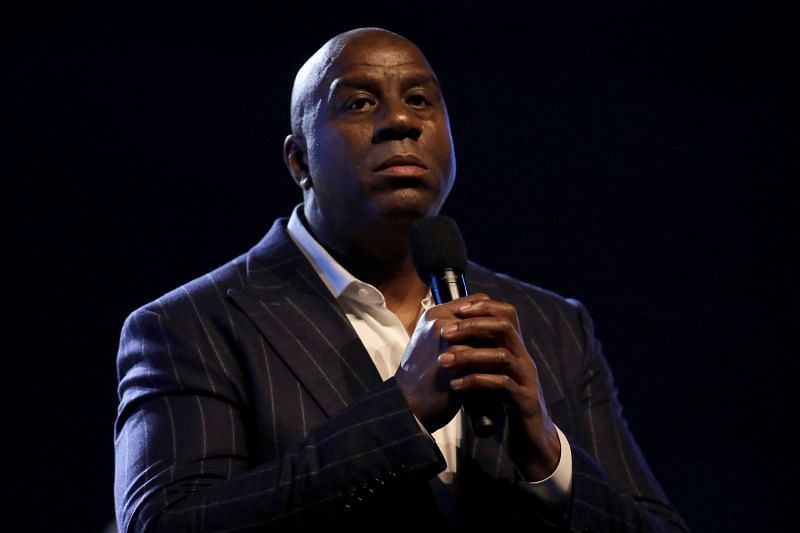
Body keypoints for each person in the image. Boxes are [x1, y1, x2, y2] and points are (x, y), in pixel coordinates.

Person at [113, 27, 688, 532]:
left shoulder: (554, 324)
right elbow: (168, 523)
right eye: (360, 103)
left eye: (420, 100)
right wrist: (400, 415)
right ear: (298, 161)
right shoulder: (188, 326)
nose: (401, 122)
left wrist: (550, 460)